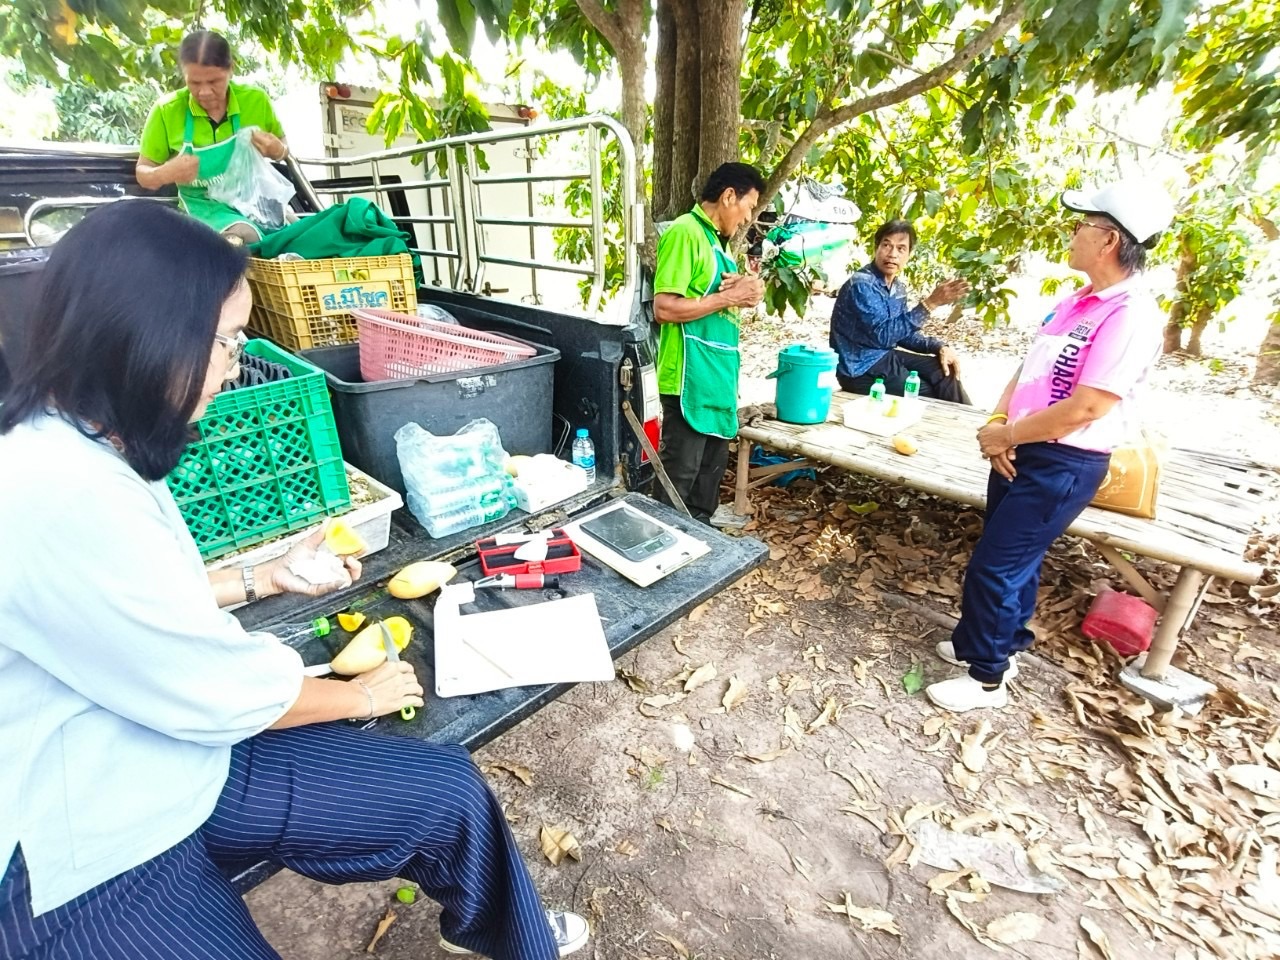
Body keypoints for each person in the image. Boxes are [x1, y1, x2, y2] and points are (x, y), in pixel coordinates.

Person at [0, 202, 588, 960]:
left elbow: (122, 602)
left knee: (448, 794)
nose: (234, 363)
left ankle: (510, 937)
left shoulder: (89, 439)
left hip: (179, 747)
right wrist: (358, 696)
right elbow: (217, 689)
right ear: (149, 338)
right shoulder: (52, 490)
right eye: (225, 340)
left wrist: (259, 576)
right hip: (78, 832)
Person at [926, 178, 1175, 713]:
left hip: (1065, 460)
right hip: (1023, 445)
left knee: (997, 565)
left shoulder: (1130, 316)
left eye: (1082, 224)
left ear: (1109, 240)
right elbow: (1030, 368)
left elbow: (1088, 407)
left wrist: (1009, 434)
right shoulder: (1080, 302)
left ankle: (986, 679)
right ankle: (994, 644)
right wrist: (999, 423)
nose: (1072, 232)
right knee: (1013, 559)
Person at [653, 162, 766, 526]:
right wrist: (729, 299)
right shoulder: (685, 233)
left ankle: (695, 561)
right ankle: (659, 560)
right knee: (677, 484)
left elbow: (717, 302)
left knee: (706, 488)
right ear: (728, 195)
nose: (748, 217)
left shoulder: (717, 245)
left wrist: (745, 292)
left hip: (715, 383)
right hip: (688, 379)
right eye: (749, 207)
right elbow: (664, 307)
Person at [136, 30, 290, 243]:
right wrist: (165, 173)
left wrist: (277, 150)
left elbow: (283, 147)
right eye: (195, 83)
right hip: (205, 209)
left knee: (295, 232)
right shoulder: (166, 111)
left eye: (214, 81)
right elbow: (143, 173)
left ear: (231, 70)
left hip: (254, 200)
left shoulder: (256, 100)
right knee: (243, 236)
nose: (205, 92)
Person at [829, 219, 971, 403]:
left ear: (909, 255)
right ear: (876, 248)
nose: (892, 254)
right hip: (859, 368)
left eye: (901, 248)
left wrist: (940, 347)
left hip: (884, 357)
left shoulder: (898, 288)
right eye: (886, 245)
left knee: (944, 371)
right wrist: (930, 303)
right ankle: (963, 425)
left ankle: (974, 423)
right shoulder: (862, 284)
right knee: (927, 392)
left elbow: (902, 335)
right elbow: (883, 336)